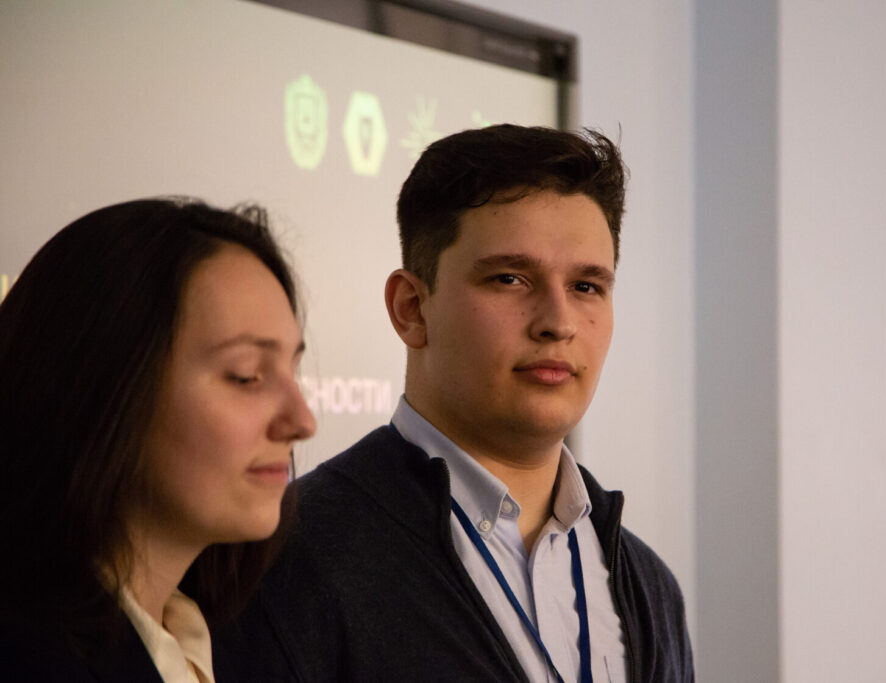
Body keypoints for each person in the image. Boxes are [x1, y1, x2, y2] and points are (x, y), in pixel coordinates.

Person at [223, 125, 694, 681]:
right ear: (411, 308)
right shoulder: (286, 560)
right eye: (510, 279)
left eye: (586, 287)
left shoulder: (649, 587)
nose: (558, 322)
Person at [0, 198, 317, 682]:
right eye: (246, 375)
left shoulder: (236, 644)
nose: (303, 421)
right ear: (97, 385)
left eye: (293, 370)